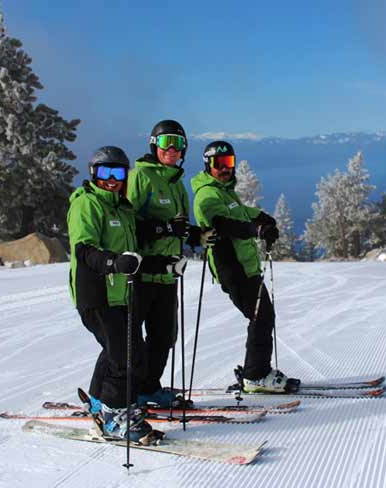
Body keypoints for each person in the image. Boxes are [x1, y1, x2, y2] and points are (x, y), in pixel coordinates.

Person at [67, 146, 183, 442]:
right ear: (93, 174)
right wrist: (113, 262)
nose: (111, 180)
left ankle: (99, 401)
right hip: (96, 293)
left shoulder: (123, 209)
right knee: (125, 356)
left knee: (121, 350)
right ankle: (116, 417)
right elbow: (85, 250)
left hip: (120, 294)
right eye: (104, 173)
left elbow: (135, 256)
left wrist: (165, 264)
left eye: (117, 173)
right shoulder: (87, 204)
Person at [191, 140, 294, 393]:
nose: (225, 169)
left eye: (229, 163)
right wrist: (255, 230)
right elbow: (224, 223)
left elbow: (241, 212)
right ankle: (255, 376)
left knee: (263, 316)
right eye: (219, 164)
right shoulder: (207, 194)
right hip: (232, 268)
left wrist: (261, 218)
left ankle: (256, 371)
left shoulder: (225, 191)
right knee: (261, 317)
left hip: (247, 267)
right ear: (208, 165)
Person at [127, 119, 204, 408]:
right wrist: (163, 229)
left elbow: (179, 225)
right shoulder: (141, 177)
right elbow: (128, 222)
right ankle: (121, 393)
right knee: (132, 339)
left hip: (169, 275)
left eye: (179, 143)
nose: (172, 149)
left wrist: (194, 233)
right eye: (165, 142)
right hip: (143, 272)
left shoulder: (176, 183)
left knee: (164, 336)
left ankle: (148, 388)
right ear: (153, 145)